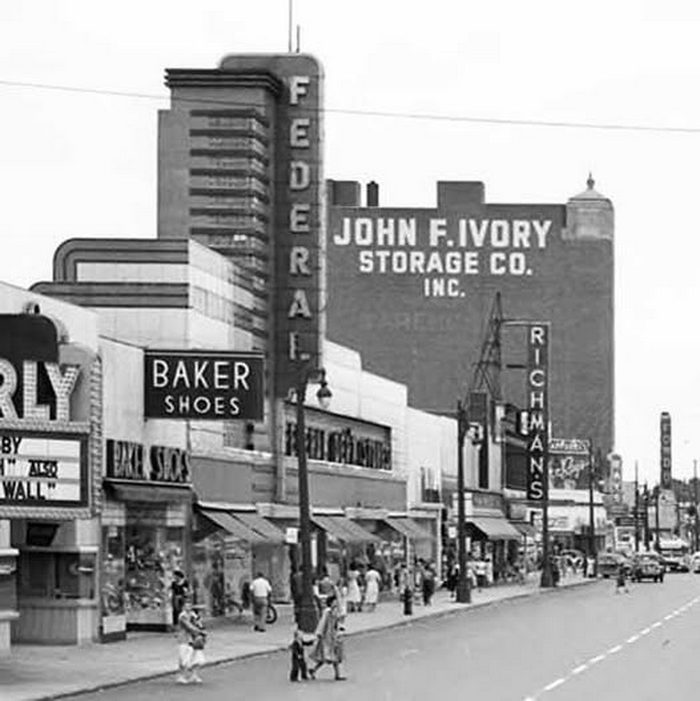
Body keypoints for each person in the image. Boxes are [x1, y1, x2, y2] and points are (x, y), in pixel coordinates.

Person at [308, 595, 347, 681]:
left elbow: (341, 619)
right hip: (327, 637)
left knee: (333, 656)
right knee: (328, 656)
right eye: (334, 601)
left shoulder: (335, 612)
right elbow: (322, 623)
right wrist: (319, 633)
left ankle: (315, 670)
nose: (336, 602)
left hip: (333, 636)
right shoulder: (327, 612)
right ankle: (315, 670)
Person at [176, 598, 205, 684]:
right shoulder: (182, 616)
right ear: (183, 607)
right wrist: (200, 631)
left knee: (197, 657)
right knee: (184, 658)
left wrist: (200, 624)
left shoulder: (193, 615)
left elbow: (199, 623)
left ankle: (194, 675)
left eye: (190, 605)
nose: (188, 607)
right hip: (184, 639)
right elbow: (189, 626)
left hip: (193, 639)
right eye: (186, 606)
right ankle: (181, 676)